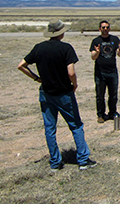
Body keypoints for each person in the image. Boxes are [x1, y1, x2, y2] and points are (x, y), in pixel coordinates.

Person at [17, 19, 97, 171]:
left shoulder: (38, 48)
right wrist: (74, 84)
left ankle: (55, 162)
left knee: (50, 128)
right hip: (64, 93)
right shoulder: (66, 48)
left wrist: (37, 78)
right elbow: (71, 72)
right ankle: (83, 160)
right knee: (76, 126)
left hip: (46, 92)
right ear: (61, 33)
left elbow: (21, 65)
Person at [90, 20, 120, 123]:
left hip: (112, 71)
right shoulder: (96, 41)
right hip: (100, 72)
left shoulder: (114, 39)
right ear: (99, 29)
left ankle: (112, 113)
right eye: (103, 27)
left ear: (109, 29)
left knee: (113, 94)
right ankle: (101, 115)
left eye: (107, 27)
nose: (105, 29)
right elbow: (93, 57)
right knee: (100, 94)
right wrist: (97, 53)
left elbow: (119, 54)